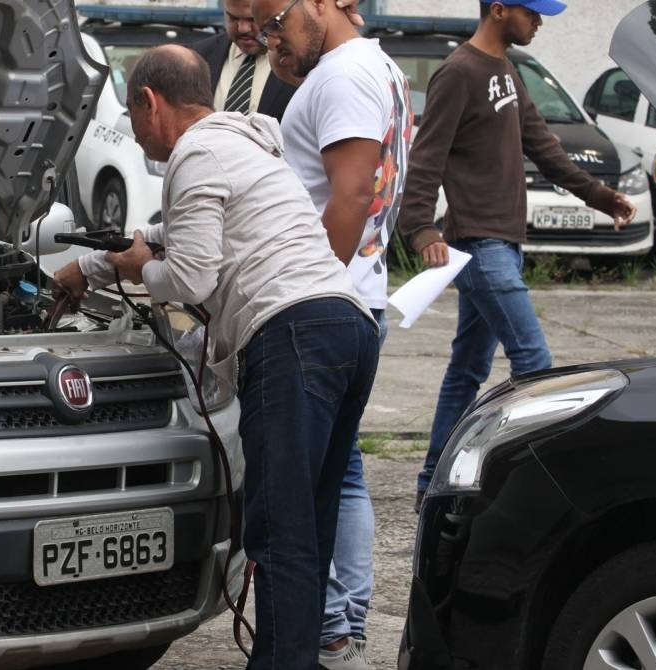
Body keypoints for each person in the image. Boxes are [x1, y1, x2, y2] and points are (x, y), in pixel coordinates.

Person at [51, 45, 380, 670]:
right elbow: (167, 240)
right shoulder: (245, 146)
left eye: (132, 112)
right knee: (310, 523)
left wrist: (145, 269)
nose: (135, 128)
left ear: (151, 102)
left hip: (292, 336)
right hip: (347, 327)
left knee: (278, 531)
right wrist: (89, 268)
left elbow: (191, 276)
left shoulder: (195, 153)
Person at [398, 0, 638, 510]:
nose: (540, 22)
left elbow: (545, 147)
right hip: (480, 245)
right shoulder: (459, 72)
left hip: (502, 242)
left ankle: (431, 486)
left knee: (467, 369)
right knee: (536, 363)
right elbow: (426, 157)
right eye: (532, 12)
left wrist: (599, 196)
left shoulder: (505, 70)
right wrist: (421, 229)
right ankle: (532, 481)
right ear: (500, 10)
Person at [257, 0, 412, 666]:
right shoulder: (375, 68)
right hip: (352, 304)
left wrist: (301, 289)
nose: (270, 38)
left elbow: (349, 195)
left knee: (288, 516)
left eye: (276, 19)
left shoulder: (345, 74)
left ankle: (320, 638)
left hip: (317, 312)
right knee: (326, 491)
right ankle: (331, 635)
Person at [191, 0, 297, 119]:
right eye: (233, 18)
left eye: (252, 19)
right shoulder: (197, 57)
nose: (243, 29)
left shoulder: (302, 61)